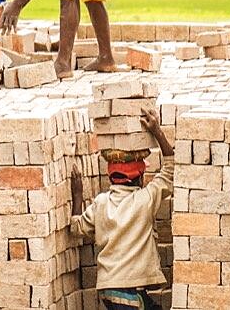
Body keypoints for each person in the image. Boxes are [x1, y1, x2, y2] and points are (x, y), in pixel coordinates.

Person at [70, 108, 174, 310]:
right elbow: (171, 168)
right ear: (139, 177)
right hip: (128, 292)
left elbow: (76, 228)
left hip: (110, 288)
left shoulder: (101, 203)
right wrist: (157, 131)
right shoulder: (144, 200)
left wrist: (77, 196)